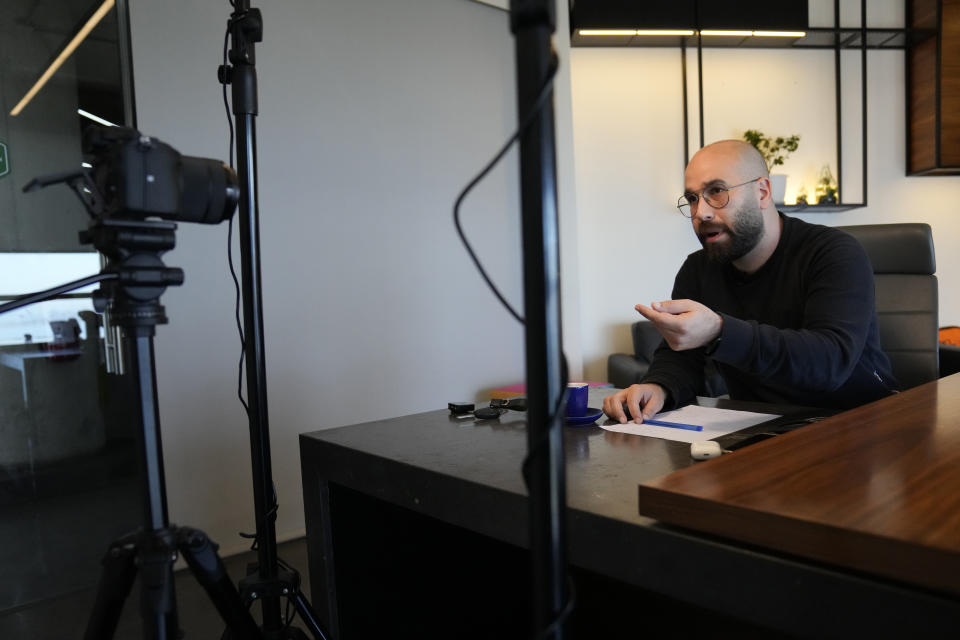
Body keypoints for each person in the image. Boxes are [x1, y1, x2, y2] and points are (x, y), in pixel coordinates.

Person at [602, 139, 898, 424]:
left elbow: (829, 363)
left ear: (763, 192)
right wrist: (658, 387)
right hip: (759, 426)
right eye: (692, 199)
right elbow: (680, 358)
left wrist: (719, 331)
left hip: (855, 424)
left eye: (716, 191)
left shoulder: (834, 253)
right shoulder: (698, 269)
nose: (700, 212)